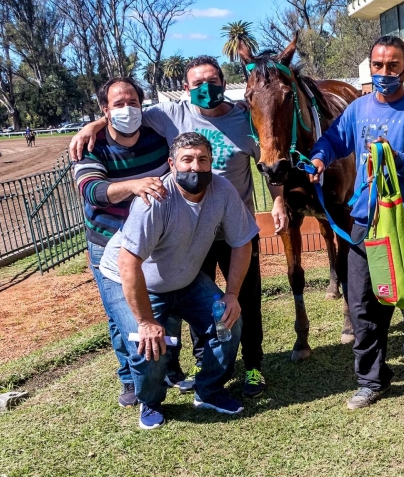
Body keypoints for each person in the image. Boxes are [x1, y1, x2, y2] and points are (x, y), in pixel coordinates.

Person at [70, 56, 281, 398]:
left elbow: (269, 155)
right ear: (185, 89)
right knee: (165, 306)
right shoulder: (168, 115)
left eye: (213, 81)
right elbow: (118, 129)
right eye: (197, 83)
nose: (206, 88)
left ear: (224, 84)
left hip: (224, 227)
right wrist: (93, 126)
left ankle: (252, 366)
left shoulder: (243, 118)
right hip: (160, 233)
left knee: (237, 300)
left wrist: (278, 199)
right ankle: (174, 370)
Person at [307, 35, 404, 410]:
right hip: (364, 222)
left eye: (393, 66)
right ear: (369, 67)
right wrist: (320, 158)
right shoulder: (358, 109)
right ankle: (372, 380)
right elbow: (333, 140)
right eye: (378, 66)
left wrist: (396, 159)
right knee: (363, 304)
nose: (385, 73)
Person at [99, 132, 259, 429]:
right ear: (172, 164)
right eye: (187, 160)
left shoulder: (223, 191)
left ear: (212, 163)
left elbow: (242, 242)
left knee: (229, 321)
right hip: (131, 280)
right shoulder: (155, 199)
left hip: (184, 279)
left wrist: (232, 294)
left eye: (202, 160)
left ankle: (208, 390)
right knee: (147, 343)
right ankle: (151, 401)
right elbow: (128, 262)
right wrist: (146, 322)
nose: (195, 167)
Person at [74, 77, 172, 408]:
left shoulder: (158, 137)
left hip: (149, 238)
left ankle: (170, 366)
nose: (127, 109)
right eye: (118, 105)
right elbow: (92, 190)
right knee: (121, 313)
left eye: (133, 102)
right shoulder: (90, 146)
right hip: (108, 240)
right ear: (105, 110)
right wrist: (133, 185)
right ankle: (130, 377)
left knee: (161, 303)